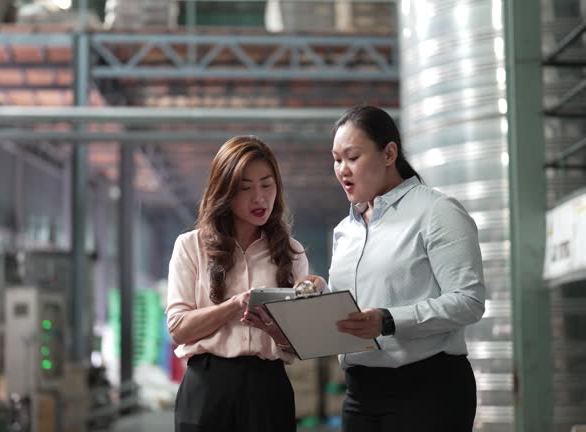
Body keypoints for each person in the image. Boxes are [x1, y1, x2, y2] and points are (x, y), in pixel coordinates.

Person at [299, 105, 485, 431]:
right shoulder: (346, 230)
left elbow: (468, 301)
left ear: (389, 154)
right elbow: (356, 307)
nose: (342, 169)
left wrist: (387, 320)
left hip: (428, 391)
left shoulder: (436, 212)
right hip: (360, 391)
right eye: (336, 159)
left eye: (352, 157)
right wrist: (322, 295)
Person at [165, 135, 309, 432]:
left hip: (268, 388)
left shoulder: (291, 252)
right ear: (225, 192)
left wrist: (277, 328)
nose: (260, 198)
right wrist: (234, 306)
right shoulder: (191, 247)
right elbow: (178, 328)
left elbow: (298, 346)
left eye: (267, 185)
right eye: (245, 188)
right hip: (207, 387)